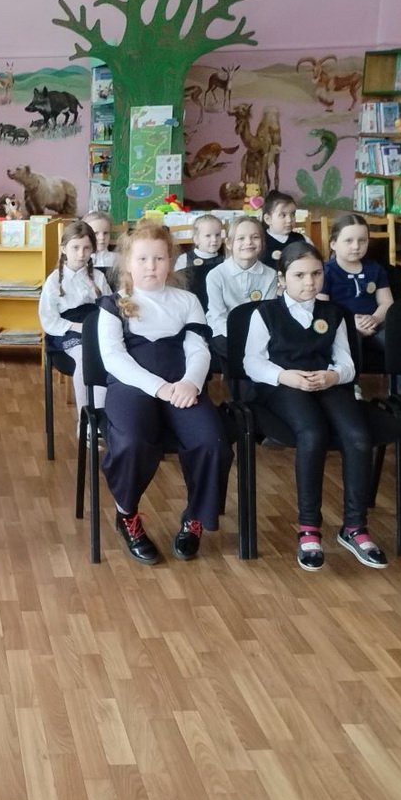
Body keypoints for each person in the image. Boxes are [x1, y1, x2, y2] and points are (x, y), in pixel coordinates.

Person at [243, 240, 388, 571]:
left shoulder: (334, 313)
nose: (309, 282)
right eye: (299, 275)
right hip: (283, 385)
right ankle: (309, 527)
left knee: (358, 436)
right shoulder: (265, 313)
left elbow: (347, 363)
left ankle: (354, 527)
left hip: (326, 383)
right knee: (312, 433)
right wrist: (285, 376)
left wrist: (333, 376)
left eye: (316, 274)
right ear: (282, 279)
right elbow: (252, 362)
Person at [97, 222, 230, 564]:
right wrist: (159, 388)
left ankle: (195, 517)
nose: (151, 266)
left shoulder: (187, 301)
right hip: (132, 386)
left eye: (158, 258)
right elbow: (114, 358)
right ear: (128, 263)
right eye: (142, 259)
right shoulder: (114, 304)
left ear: (170, 261)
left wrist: (191, 383)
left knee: (212, 441)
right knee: (131, 442)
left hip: (181, 385)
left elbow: (198, 349)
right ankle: (127, 514)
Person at [319, 213, 401, 394]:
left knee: (398, 337)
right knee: (349, 337)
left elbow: (387, 303)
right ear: (333, 244)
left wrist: (375, 319)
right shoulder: (326, 271)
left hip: (374, 323)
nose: (356, 246)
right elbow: (323, 308)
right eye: (348, 241)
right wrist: (351, 323)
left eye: (362, 241)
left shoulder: (375, 269)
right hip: (342, 325)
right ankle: (352, 387)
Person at [38, 219, 113, 430]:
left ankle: (100, 419)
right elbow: (48, 318)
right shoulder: (54, 281)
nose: (81, 254)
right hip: (68, 330)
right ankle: (85, 421)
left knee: (107, 356)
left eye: (87, 248)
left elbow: (109, 307)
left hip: (95, 326)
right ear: (64, 249)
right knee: (84, 356)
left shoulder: (98, 277)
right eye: (75, 248)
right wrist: (74, 327)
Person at [204, 216, 278, 361]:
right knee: (235, 350)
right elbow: (218, 316)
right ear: (229, 243)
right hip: (223, 330)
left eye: (255, 237)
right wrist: (240, 335)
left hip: (258, 331)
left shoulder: (271, 275)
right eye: (241, 238)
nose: (248, 242)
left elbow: (267, 313)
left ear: (262, 243)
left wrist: (256, 335)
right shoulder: (216, 275)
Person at [173, 213, 226, 310]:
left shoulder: (225, 260)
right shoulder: (184, 259)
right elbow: (178, 285)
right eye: (208, 236)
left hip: (217, 306)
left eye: (217, 235)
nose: (214, 239)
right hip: (191, 306)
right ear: (196, 239)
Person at [260, 190, 306, 266]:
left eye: (292, 214)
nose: (289, 220)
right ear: (268, 219)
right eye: (283, 215)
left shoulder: (300, 239)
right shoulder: (261, 241)